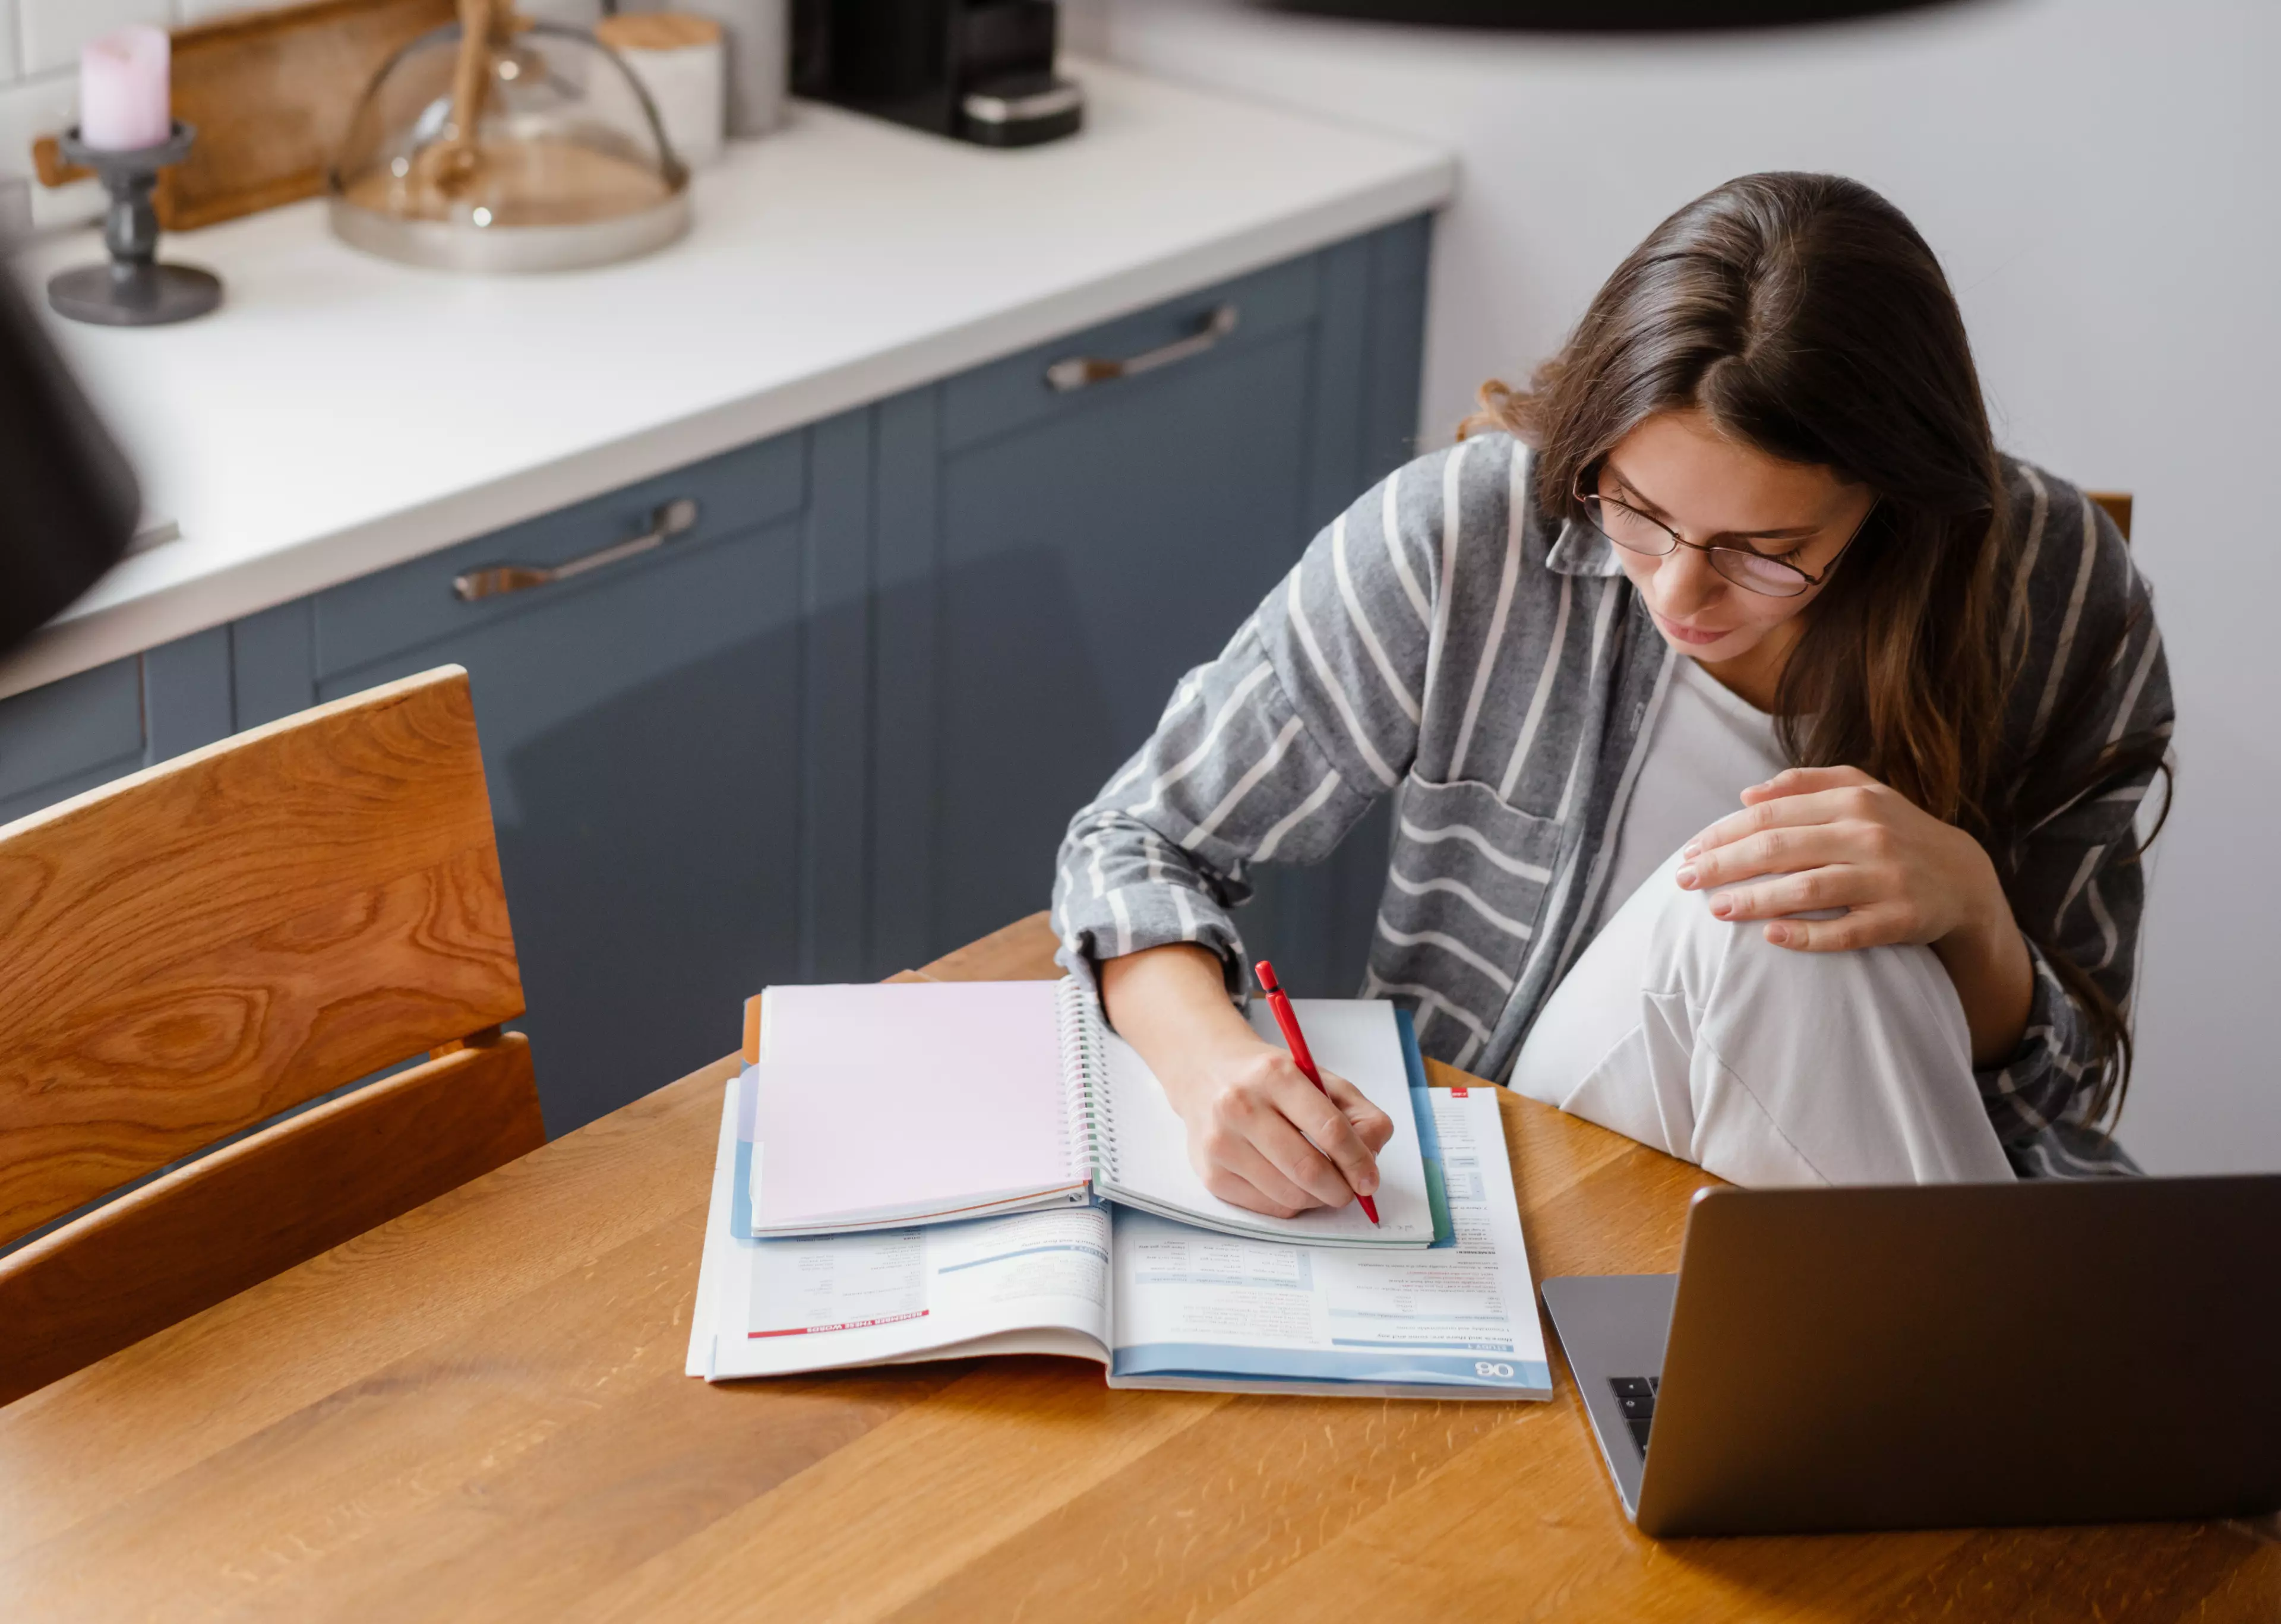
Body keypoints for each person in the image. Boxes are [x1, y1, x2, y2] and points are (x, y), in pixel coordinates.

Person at [1051, 172, 2172, 1214]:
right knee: (1759, 912)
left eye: (1766, 548)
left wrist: (1972, 909)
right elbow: (1135, 841)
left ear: (1894, 506)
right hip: (1542, 1175)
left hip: (1850, 1174)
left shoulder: (2052, 590)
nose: (1680, 589)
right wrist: (1213, 1067)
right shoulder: (1472, 538)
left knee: (1805, 910)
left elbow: (2047, 1101)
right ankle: (2001, 1389)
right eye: (1633, 507)